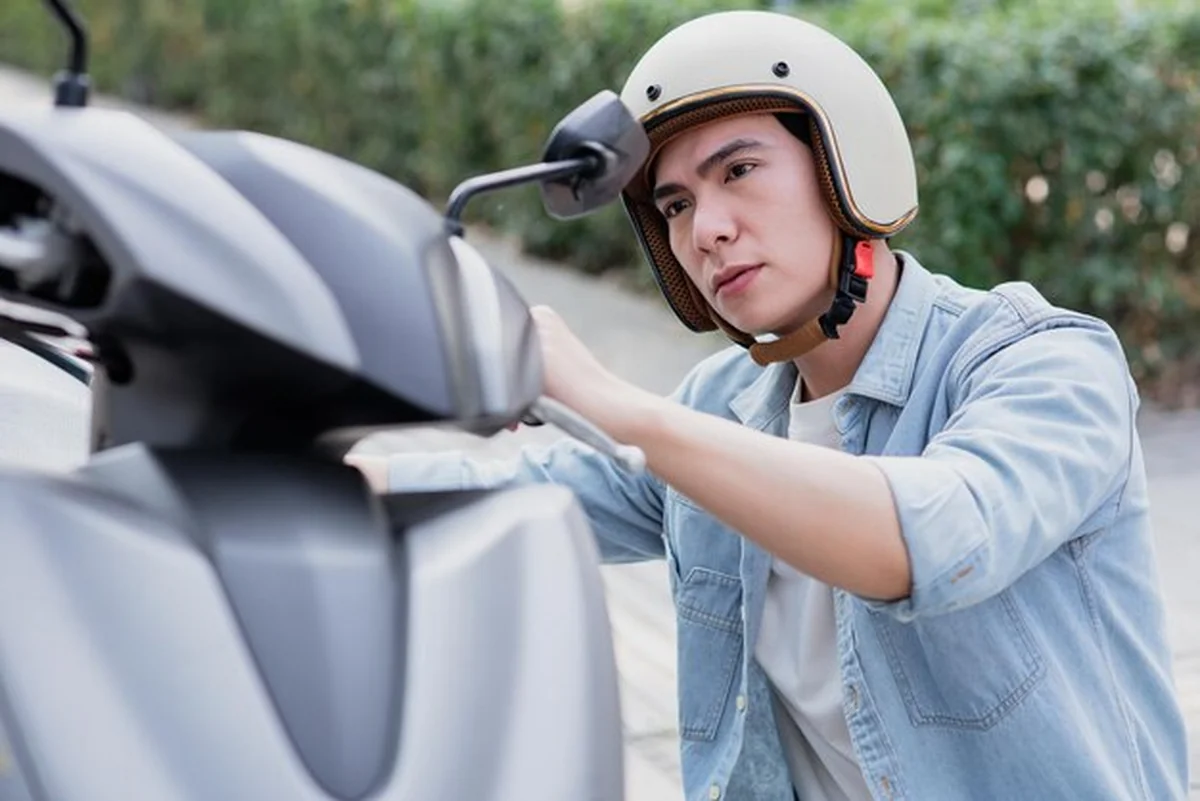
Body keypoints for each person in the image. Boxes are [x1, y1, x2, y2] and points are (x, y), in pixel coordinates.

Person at [350, 10, 1189, 801]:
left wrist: (613, 402)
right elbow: (522, 491)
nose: (705, 229)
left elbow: (928, 540)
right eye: (675, 205)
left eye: (739, 171)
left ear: (843, 168)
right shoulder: (720, 409)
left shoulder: (1042, 361)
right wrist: (322, 464)